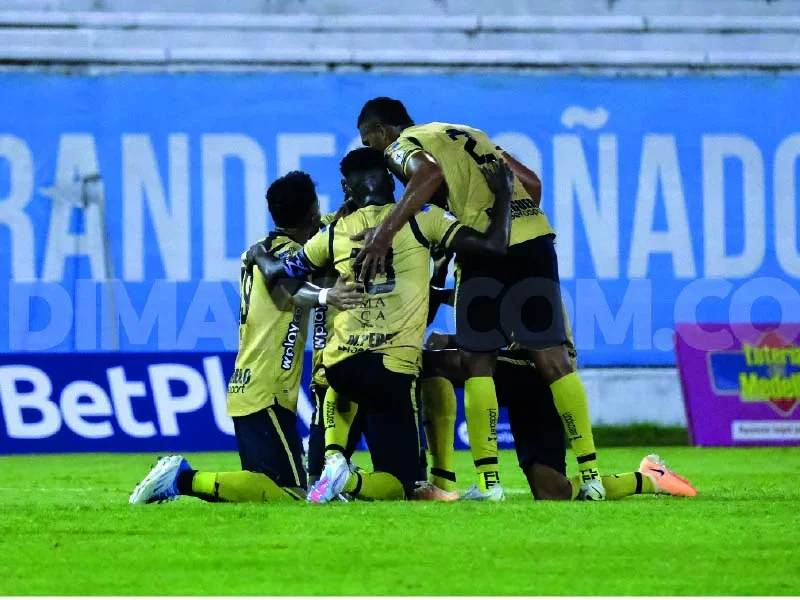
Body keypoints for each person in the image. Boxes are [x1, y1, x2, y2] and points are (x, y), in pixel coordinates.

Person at [354, 97, 605, 500]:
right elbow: (533, 185)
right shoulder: (472, 134)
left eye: (371, 143)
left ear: (382, 132)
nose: (375, 154)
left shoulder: (405, 144)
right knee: (554, 359)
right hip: (536, 240)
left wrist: (385, 231)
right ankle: (592, 476)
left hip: (487, 251)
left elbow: (428, 174)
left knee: (478, 360)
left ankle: (489, 485)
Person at [252, 147, 515, 502]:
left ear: (347, 188)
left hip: (340, 370)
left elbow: (282, 273)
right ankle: (354, 481)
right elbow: (494, 246)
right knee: (402, 486)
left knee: (323, 457)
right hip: (391, 369)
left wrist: (258, 254)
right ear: (391, 180)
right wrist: (503, 194)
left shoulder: (336, 231)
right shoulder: (425, 218)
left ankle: (334, 463)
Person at [129, 171, 364, 505]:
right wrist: (329, 296)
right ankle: (183, 478)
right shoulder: (286, 255)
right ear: (311, 210)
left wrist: (349, 204)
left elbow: (329, 228)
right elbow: (289, 286)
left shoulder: (269, 247)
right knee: (291, 494)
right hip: (267, 386)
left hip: (251, 383)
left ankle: (183, 479)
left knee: (262, 487)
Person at [419, 332, 698, 501]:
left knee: (554, 493)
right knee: (552, 492)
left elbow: (492, 332)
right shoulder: (489, 262)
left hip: (539, 375)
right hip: (519, 370)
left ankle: (648, 478)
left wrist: (452, 339)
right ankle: (441, 478)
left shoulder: (515, 263)